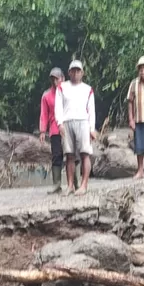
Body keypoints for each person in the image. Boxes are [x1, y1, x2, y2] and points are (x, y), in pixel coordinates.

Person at [54, 59, 95, 196]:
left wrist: (92, 128)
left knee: (85, 153)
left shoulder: (87, 89)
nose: (76, 73)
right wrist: (59, 123)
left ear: (82, 73)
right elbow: (58, 106)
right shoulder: (62, 87)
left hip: (83, 122)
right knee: (69, 155)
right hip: (67, 121)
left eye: (78, 71)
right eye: (73, 71)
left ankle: (84, 185)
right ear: (69, 72)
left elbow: (91, 110)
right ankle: (70, 185)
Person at [39, 67, 67, 194]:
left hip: (68, 128)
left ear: (63, 79)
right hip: (55, 130)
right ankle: (57, 185)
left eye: (57, 78)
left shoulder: (69, 92)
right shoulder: (47, 95)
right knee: (56, 156)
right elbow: (44, 114)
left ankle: (76, 184)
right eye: (53, 79)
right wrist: (42, 131)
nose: (55, 81)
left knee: (73, 155)